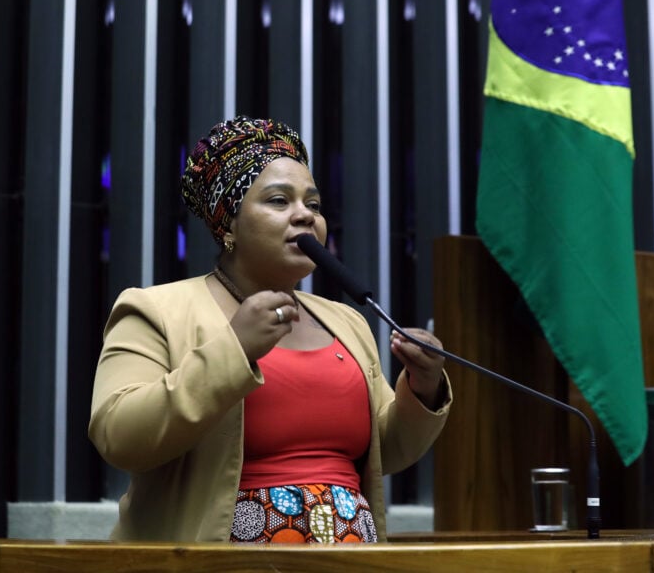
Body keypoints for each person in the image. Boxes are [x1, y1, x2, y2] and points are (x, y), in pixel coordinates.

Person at [88, 115, 452, 543]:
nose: (304, 216)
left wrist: (424, 387)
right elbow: (119, 435)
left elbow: (383, 452)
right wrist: (234, 350)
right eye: (279, 201)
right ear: (228, 225)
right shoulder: (156, 310)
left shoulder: (347, 321)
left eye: (313, 205)